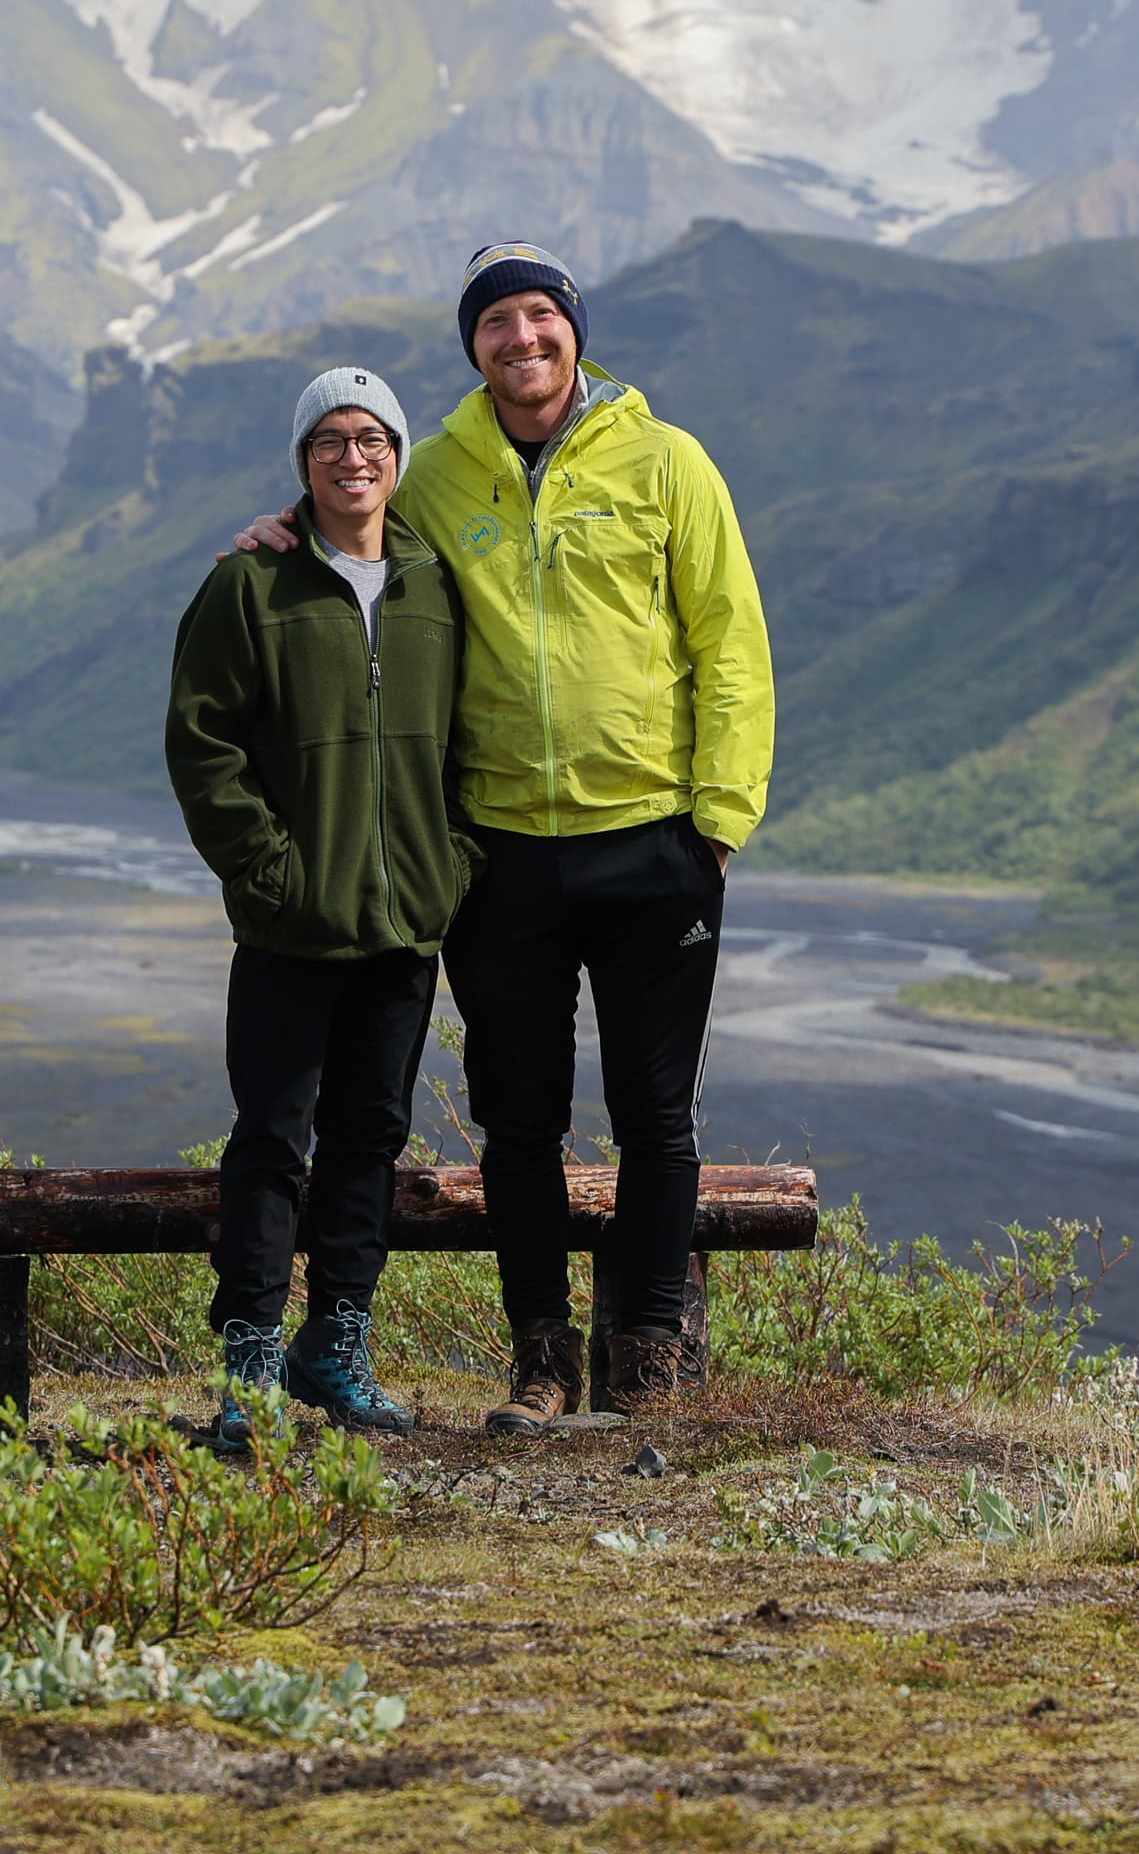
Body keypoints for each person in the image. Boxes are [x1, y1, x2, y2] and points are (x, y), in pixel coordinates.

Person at [241, 243, 773, 1432]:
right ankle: (543, 1360)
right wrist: (285, 526)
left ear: (574, 328)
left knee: (657, 1120)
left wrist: (719, 824)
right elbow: (355, 521)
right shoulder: (435, 472)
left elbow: (730, 639)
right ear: (472, 346)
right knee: (519, 1121)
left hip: (653, 843)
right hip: (498, 852)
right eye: (496, 322)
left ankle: (648, 1367)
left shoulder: (668, 460)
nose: (521, 337)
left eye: (540, 315)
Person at [165, 365, 478, 1450]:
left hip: (404, 928)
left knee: (370, 1139)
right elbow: (202, 745)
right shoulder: (251, 585)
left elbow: (473, 740)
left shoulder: (436, 585)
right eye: (330, 440)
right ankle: (249, 1362)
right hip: (291, 928)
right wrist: (269, 876)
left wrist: (450, 866)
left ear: (398, 456)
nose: (354, 457)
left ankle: (336, 1345)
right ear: (303, 462)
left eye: (372, 438)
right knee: (270, 1141)